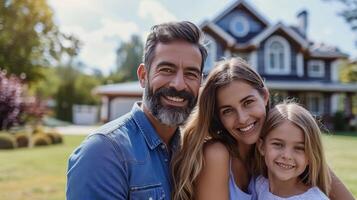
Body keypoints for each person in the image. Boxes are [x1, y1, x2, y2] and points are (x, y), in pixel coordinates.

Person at [171, 57, 355, 200]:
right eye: (228, 111)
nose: (242, 118)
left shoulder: (282, 143)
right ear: (218, 117)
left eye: (248, 102)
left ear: (265, 96)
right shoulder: (217, 154)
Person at [66, 21, 207, 200]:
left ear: (200, 82)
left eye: (191, 74)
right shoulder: (103, 152)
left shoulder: (191, 153)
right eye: (166, 70)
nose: (179, 84)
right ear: (143, 76)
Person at [255, 102, 330, 199]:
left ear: (310, 157)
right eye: (278, 144)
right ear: (261, 146)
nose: (287, 155)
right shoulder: (259, 185)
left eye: (299, 148)